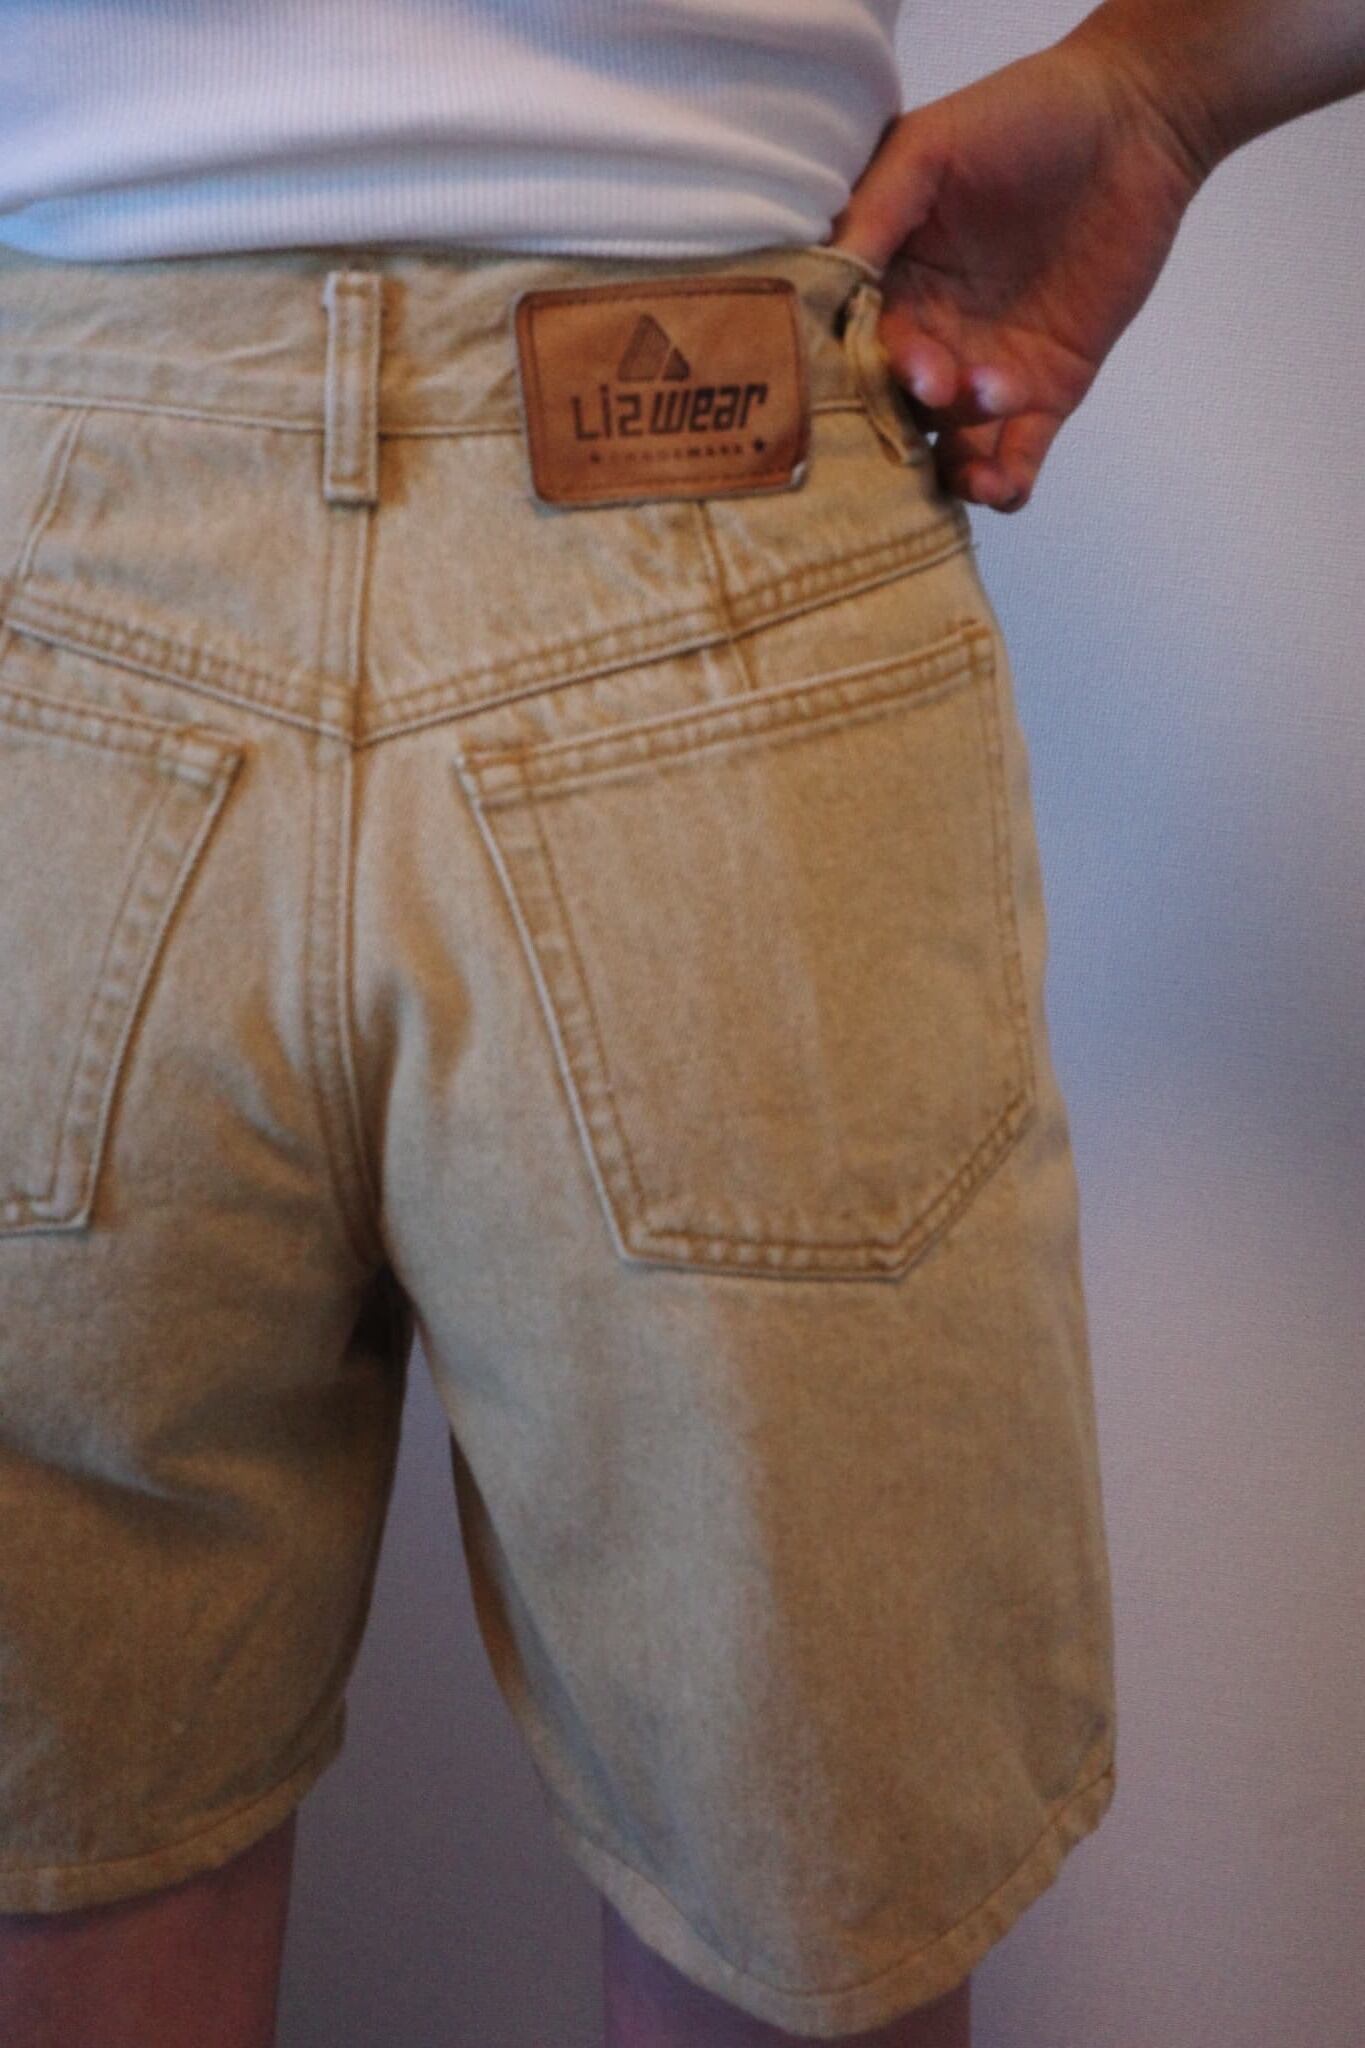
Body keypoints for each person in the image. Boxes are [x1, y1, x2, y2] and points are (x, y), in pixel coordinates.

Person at [0, 5, 1359, 2047]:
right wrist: (1159, 85)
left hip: (55, 546)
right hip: (708, 519)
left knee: (60, 1873)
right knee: (792, 1916)